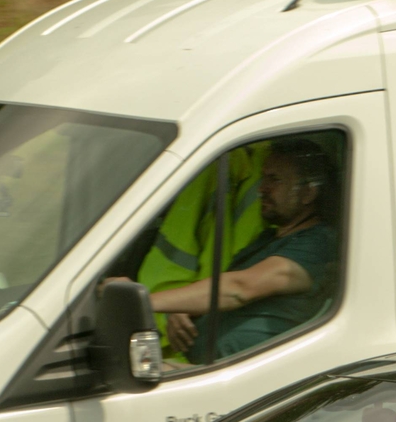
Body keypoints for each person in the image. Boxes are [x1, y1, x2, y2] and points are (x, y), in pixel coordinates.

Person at [143, 137, 340, 360]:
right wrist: (184, 306)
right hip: (210, 368)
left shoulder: (318, 243)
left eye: (274, 180)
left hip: (251, 378)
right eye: (264, 178)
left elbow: (240, 288)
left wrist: (144, 302)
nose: (262, 189)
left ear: (308, 193)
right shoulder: (267, 239)